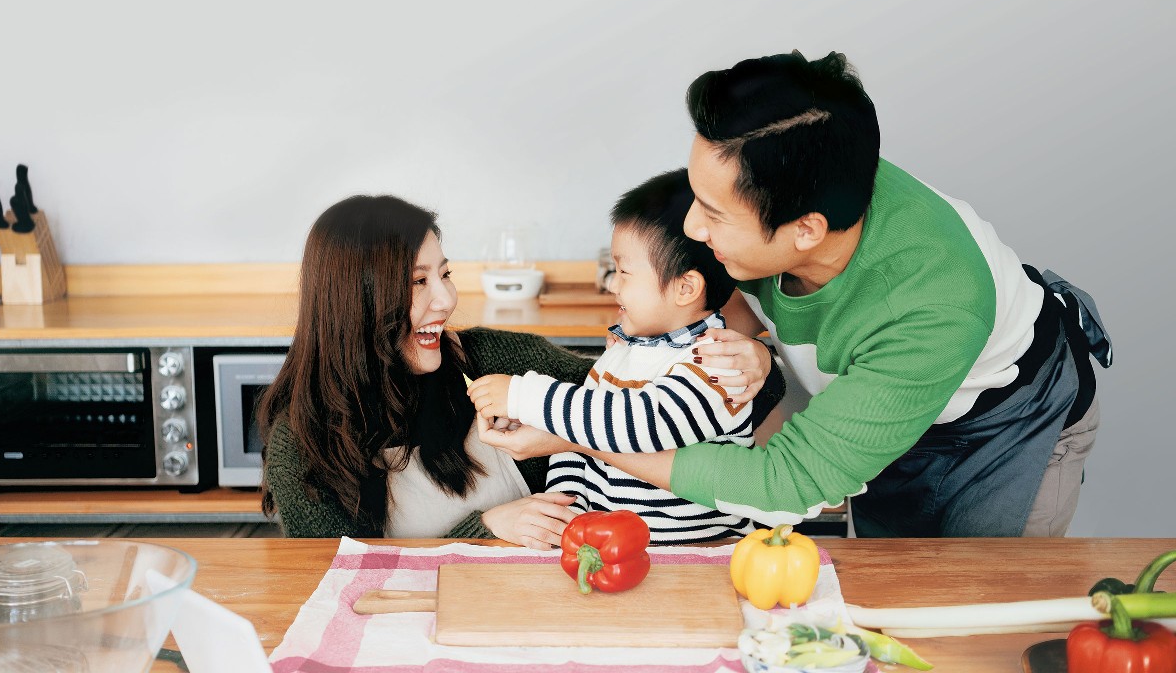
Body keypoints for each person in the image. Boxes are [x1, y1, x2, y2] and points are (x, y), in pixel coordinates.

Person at [482, 51, 1111, 538]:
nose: (694, 230)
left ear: (805, 231)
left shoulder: (936, 304)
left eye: (713, 215)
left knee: (977, 616)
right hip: (877, 402)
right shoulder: (781, 183)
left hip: (1004, 426)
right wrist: (755, 347)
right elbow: (708, 295)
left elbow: (789, 481)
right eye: (695, 197)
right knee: (881, 603)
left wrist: (572, 435)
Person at [258, 194, 597, 549]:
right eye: (418, 281)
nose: (447, 299)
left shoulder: (496, 360)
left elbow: (631, 403)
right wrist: (485, 529)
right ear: (358, 302)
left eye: (445, 274)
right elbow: (340, 583)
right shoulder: (301, 447)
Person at [468, 170, 785, 543]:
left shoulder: (717, 362)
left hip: (705, 556)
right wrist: (564, 509)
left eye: (624, 272)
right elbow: (579, 439)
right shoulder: (622, 355)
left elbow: (641, 424)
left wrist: (525, 397)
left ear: (685, 287)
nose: (612, 284)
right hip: (622, 553)